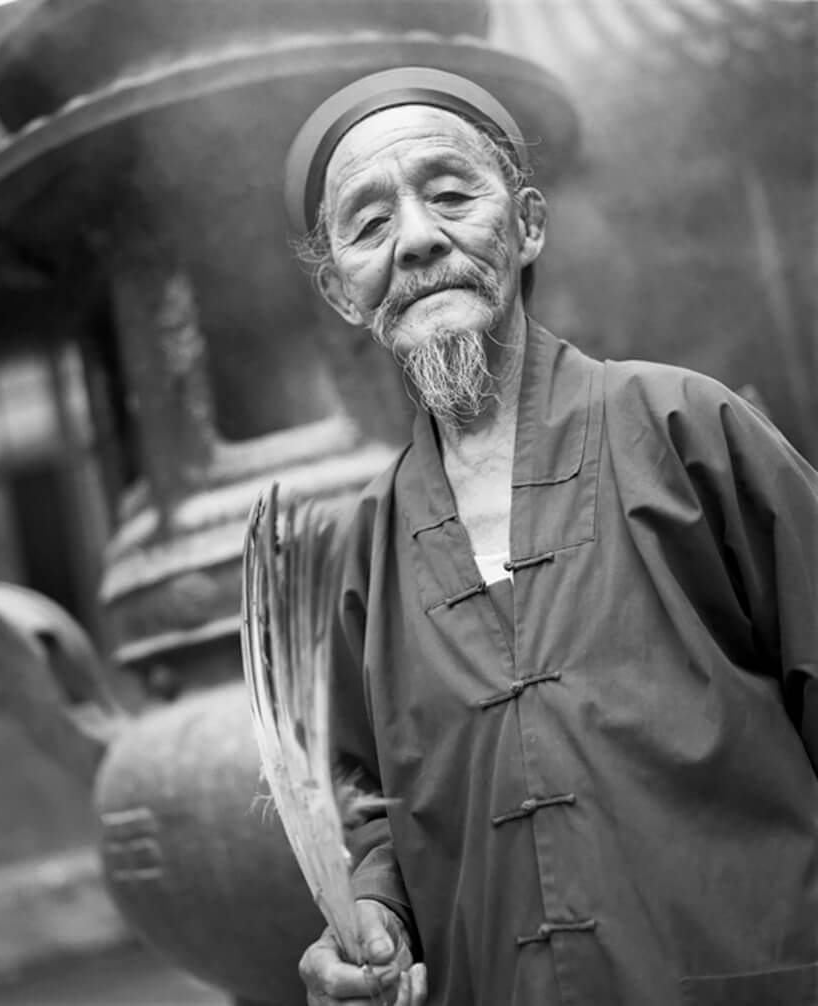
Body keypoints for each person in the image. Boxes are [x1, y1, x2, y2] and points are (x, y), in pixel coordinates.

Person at [281, 67, 818, 1006]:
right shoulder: (362, 551)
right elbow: (365, 801)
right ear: (343, 292)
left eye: (451, 195)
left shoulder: (687, 429)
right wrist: (372, 915)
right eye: (367, 225)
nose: (414, 240)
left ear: (526, 224)